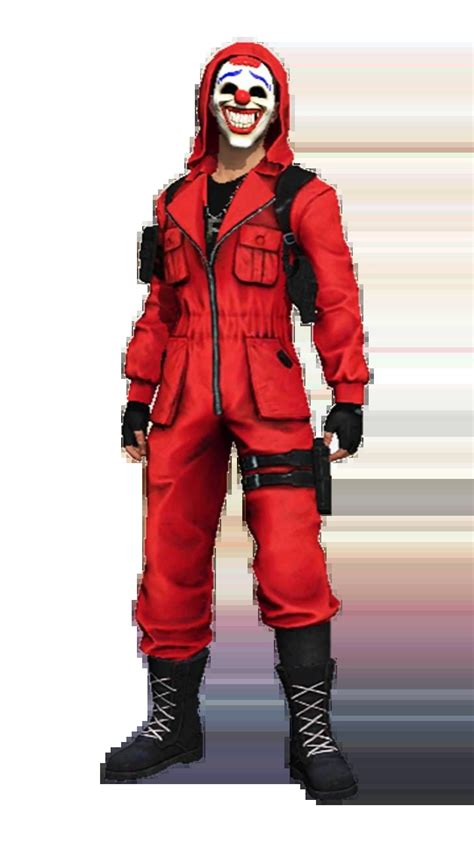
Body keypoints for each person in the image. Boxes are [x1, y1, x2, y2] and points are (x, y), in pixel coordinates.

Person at [104, 41, 370, 801]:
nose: (243, 100)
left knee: (291, 558)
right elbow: (161, 307)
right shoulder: (174, 202)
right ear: (208, 101)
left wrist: (348, 395)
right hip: (183, 398)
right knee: (169, 558)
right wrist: (138, 392)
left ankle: (312, 734)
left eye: (258, 89)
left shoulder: (304, 198)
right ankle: (172, 723)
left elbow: (334, 299)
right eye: (230, 87)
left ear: (277, 105)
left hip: (269, 393)